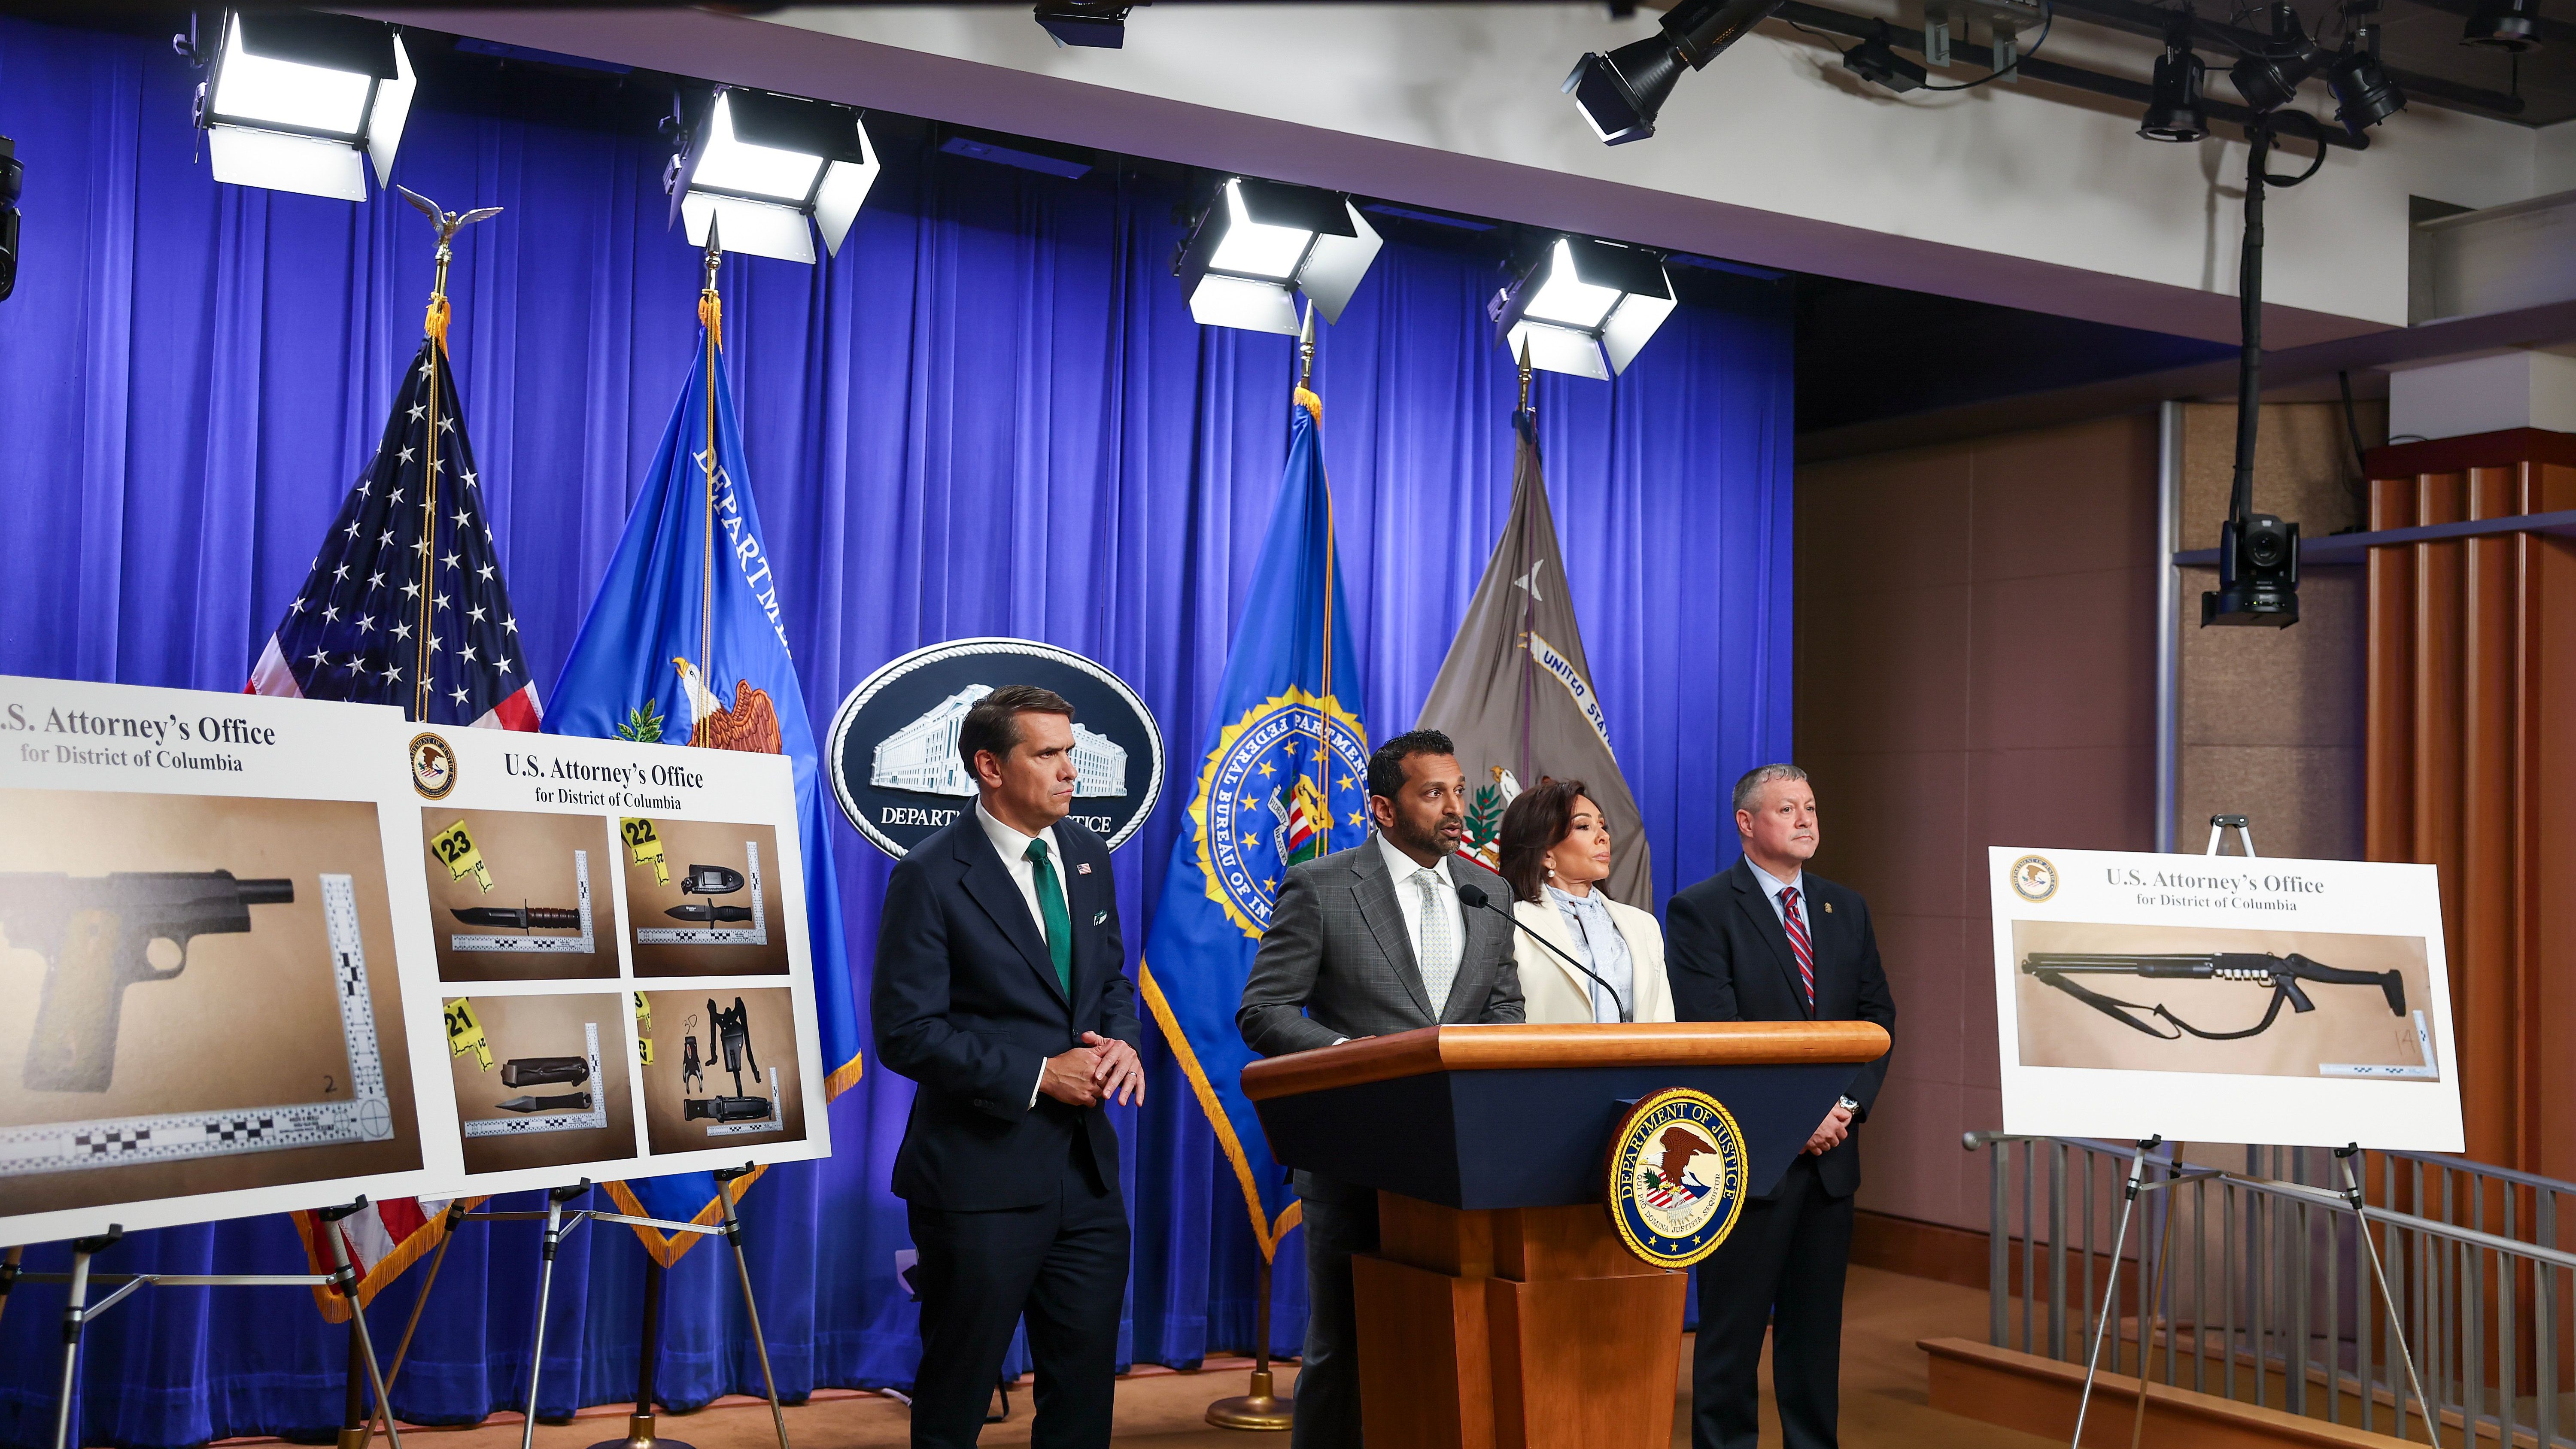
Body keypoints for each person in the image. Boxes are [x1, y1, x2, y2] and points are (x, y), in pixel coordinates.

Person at [873, 684, 1147, 1449]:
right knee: (959, 1394)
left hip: (1088, 1180)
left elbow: (1109, 985)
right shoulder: (929, 876)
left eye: (1073, 752)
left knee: (1084, 1394)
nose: (1072, 772)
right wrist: (1038, 1074)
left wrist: (1121, 1042)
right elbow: (906, 1032)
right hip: (977, 1182)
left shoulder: (1089, 857)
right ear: (990, 766)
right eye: (1050, 754)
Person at [1237, 727, 1525, 1449]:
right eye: (1434, 793)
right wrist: (1351, 1056)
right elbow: (1264, 1011)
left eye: (1459, 791)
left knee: (1447, 1338)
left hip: (1462, 1165)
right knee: (1345, 1348)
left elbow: (1504, 1012)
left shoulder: (1488, 892)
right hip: (1356, 1157)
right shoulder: (1323, 885)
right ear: (1384, 809)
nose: (1456, 807)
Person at [1665, 764, 1896, 1449]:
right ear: (1746, 823)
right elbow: (1717, 1036)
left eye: (1812, 807)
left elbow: (1877, 1018)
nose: (1806, 820)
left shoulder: (1844, 906)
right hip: (1748, 1160)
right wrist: (1795, 1120)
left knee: (1815, 1338)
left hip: (1831, 1162)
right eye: (1788, 808)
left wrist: (1846, 1106)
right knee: (1732, 1342)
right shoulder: (1701, 909)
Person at [1495, 778, 1675, 1024]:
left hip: (1636, 1061)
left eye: (1603, 826)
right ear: (1546, 853)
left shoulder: (1643, 926)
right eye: (1584, 827)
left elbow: (1663, 1022)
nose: (1603, 837)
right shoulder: (1511, 924)